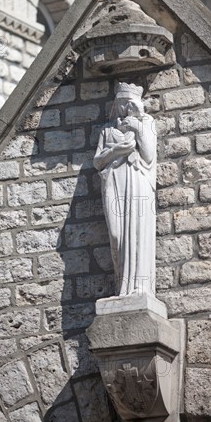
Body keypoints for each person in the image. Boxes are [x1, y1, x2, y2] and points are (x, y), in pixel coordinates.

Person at [93, 82, 157, 297]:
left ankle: (139, 288)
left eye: (129, 104)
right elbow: (98, 162)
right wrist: (116, 150)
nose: (124, 108)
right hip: (114, 181)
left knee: (137, 232)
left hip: (137, 180)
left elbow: (148, 155)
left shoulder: (146, 123)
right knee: (116, 234)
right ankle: (122, 286)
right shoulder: (107, 130)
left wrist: (138, 127)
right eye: (121, 103)